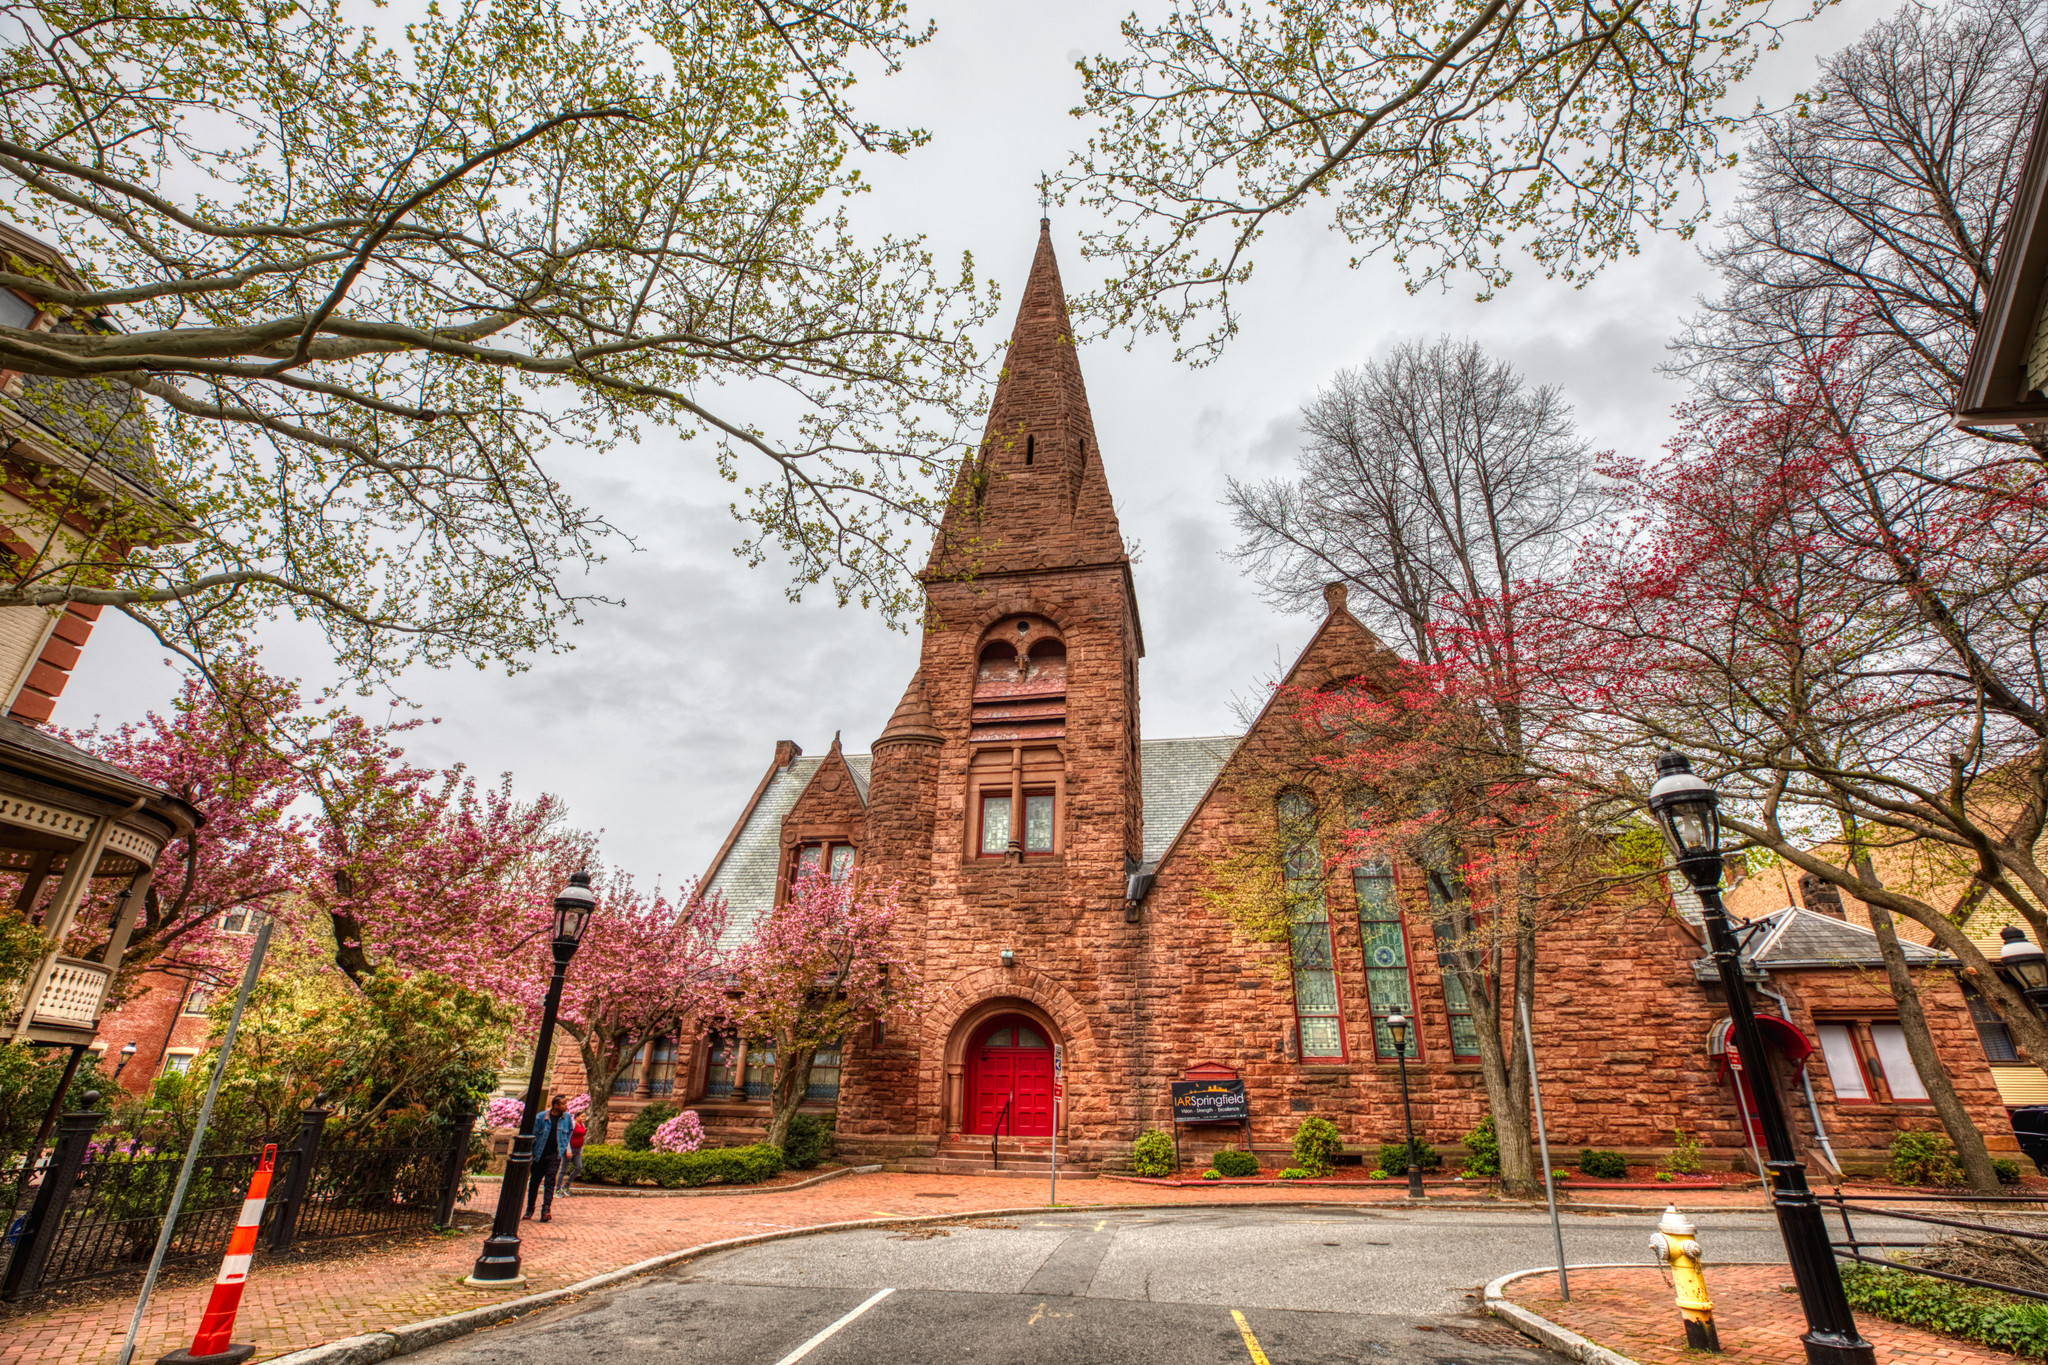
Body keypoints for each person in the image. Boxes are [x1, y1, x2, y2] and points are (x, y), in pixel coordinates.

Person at [525, 1095, 573, 1222]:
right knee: (534, 1182)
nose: (566, 1106)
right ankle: (530, 1209)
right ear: (555, 1105)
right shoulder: (541, 1117)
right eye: (563, 1104)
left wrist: (566, 1148)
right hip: (539, 1155)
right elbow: (533, 1134)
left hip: (555, 1155)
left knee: (550, 1183)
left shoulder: (566, 1118)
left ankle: (546, 1210)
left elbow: (569, 1133)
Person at [558, 1111, 587, 1196]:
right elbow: (568, 1137)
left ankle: (566, 1186)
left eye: (584, 1117)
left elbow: (582, 1138)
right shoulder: (573, 1125)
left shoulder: (582, 1125)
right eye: (582, 1116)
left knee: (579, 1167)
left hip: (577, 1150)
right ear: (577, 1117)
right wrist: (568, 1149)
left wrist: (581, 1150)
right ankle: (557, 1189)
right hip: (570, 1150)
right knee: (563, 1170)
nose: (584, 1118)